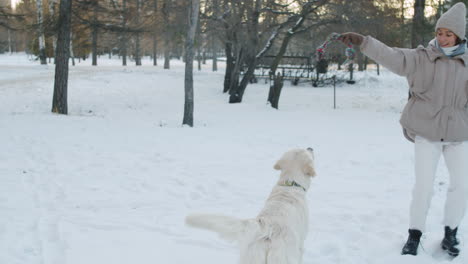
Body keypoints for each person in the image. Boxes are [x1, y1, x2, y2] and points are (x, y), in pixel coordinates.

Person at [339, 2, 468, 257]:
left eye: (448, 34)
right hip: (426, 130)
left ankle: (451, 232)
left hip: (457, 133)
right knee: (424, 186)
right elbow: (391, 55)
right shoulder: (421, 57)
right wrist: (364, 42)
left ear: (459, 36)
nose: (442, 38)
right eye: (439, 32)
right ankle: (414, 234)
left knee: (462, 185)